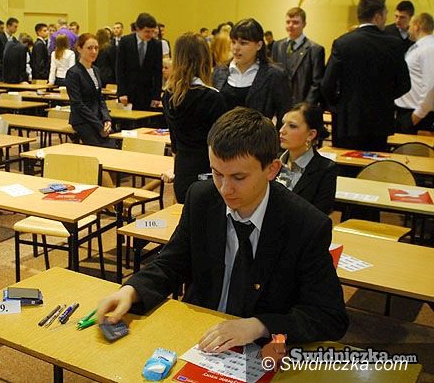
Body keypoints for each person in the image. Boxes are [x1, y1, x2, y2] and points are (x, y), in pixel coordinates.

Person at [96, 107, 348, 348]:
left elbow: (329, 316)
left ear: (272, 169)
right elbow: (172, 262)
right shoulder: (201, 197)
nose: (225, 189)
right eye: (217, 174)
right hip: (197, 333)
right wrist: (132, 290)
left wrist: (260, 326)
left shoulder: (306, 224)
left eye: (239, 177)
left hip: (260, 349)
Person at [322, 0, 411, 152]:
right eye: (385, 14)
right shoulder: (394, 44)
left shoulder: (343, 43)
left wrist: (340, 104)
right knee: (375, 164)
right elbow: (404, 84)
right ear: (377, 16)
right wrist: (384, 97)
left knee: (344, 163)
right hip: (380, 121)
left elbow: (327, 84)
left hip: (348, 120)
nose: (386, 19)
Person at [162, 33, 227, 203]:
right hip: (208, 172)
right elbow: (220, 145)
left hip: (182, 170)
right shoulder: (213, 97)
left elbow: (174, 142)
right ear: (205, 59)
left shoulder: (168, 95)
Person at [212, 18, 292, 129]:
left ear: (259, 45)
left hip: (258, 137)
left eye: (243, 43)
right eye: (233, 42)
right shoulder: (220, 71)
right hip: (222, 137)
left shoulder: (275, 75)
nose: (236, 48)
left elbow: (284, 116)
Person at [277, 103, 336, 214]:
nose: (282, 130)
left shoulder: (326, 169)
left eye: (292, 126)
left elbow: (320, 216)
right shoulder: (271, 161)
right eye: (283, 124)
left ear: (311, 135)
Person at [66, 33, 114, 148]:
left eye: (96, 48)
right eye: (89, 48)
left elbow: (100, 98)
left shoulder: (96, 70)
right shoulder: (73, 73)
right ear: (79, 49)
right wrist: (99, 125)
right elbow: (77, 104)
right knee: (102, 147)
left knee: (115, 145)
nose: (94, 51)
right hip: (83, 120)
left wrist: (107, 119)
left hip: (98, 118)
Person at [271, 7, 325, 105]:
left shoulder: (315, 49)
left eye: (295, 22)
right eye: (288, 22)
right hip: (280, 104)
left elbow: (317, 83)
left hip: (302, 104)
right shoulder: (277, 46)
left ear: (304, 24)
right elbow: (273, 76)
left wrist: (304, 107)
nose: (290, 25)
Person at [394, 13, 434, 134]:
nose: (408, 29)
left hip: (418, 115)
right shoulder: (419, 47)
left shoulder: (429, 48)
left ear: (417, 26)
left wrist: (417, 115)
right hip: (409, 112)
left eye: (410, 25)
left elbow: (431, 84)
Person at [116, 12, 162, 110]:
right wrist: (121, 92)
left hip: (147, 93)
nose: (150, 35)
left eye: (152, 31)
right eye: (147, 31)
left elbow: (158, 72)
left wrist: (156, 96)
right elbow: (120, 69)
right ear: (138, 29)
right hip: (128, 92)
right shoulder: (125, 42)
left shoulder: (156, 45)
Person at [0, 17, 18, 82]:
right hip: (2, 72)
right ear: (8, 26)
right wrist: (1, 69)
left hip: (12, 72)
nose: (16, 29)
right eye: (15, 27)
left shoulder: (14, 40)